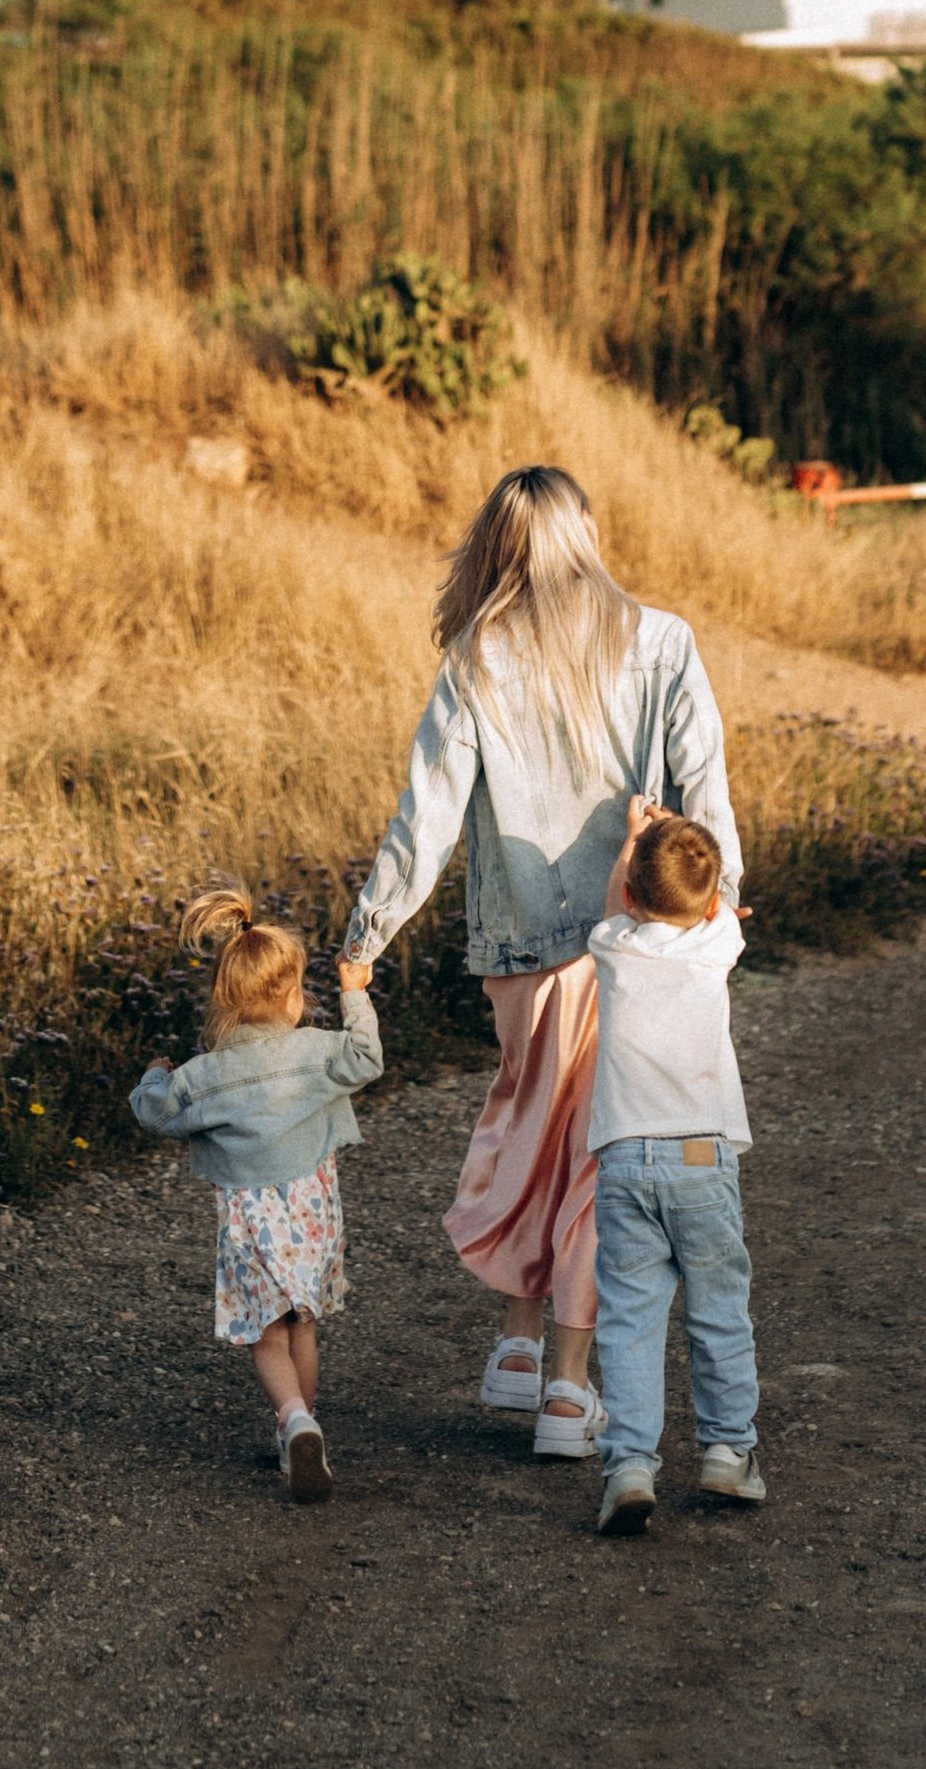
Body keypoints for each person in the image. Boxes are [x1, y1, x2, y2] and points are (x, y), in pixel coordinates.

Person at [337, 463, 741, 1463]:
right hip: (638, 934)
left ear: (499, 549)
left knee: (532, 1125)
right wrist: (715, 915)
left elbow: (425, 816)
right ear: (588, 533)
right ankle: (567, 1385)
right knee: (601, 1150)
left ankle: (518, 1345)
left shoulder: (480, 656)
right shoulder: (662, 641)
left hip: (519, 947)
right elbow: (706, 785)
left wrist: (365, 936)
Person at [129, 884, 383, 1502]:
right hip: (312, 1216)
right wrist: (354, 993)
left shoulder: (206, 1075)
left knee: (267, 1335)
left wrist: (155, 1074)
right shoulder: (317, 1053)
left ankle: (293, 1420)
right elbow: (366, 1058)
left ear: (224, 1002)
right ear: (294, 995)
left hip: (251, 1223)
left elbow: (155, 1113)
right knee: (302, 1328)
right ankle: (303, 1428)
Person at [583, 796, 762, 1536]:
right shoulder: (717, 942)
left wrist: (631, 840)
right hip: (701, 1155)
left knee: (629, 1318)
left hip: (625, 1156)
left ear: (629, 896)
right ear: (717, 899)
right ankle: (726, 1450)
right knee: (718, 1310)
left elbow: (616, 901)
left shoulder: (614, 947)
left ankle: (628, 1463)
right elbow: (714, 901)